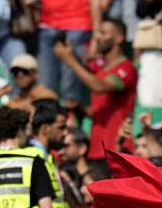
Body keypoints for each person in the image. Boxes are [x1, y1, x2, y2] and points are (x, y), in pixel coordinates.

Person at [54, 18, 136, 161]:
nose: (97, 38)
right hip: (96, 149)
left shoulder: (126, 68)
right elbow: (99, 111)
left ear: (119, 38)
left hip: (117, 149)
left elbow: (99, 87)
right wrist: (80, 109)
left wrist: (69, 60)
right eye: (97, 33)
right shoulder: (99, 70)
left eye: (103, 33)